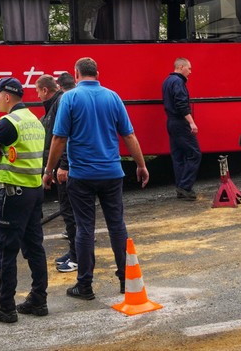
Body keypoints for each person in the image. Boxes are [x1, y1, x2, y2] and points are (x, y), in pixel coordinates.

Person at [43, 57, 149, 300]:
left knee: (84, 229)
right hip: (112, 173)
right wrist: (141, 165)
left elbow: (59, 139)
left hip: (81, 176)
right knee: (117, 226)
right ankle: (126, 280)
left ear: (76, 74)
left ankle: (85, 286)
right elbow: (129, 135)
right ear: (98, 73)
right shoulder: (113, 97)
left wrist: (49, 171)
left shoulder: (69, 98)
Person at [0, 77, 49, 322]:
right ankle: (39, 300)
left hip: (13, 193)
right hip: (34, 191)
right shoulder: (34, 120)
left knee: (7, 251)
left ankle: (6, 307)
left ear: (7, 96)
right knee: (34, 247)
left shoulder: (8, 122)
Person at [36, 74, 77, 273]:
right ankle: (75, 251)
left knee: (70, 212)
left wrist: (63, 165)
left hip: (64, 168)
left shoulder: (60, 102)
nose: (37, 96)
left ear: (45, 90)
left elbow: (65, 137)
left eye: (38, 92)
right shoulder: (54, 104)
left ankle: (77, 257)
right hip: (61, 165)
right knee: (69, 212)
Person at [162, 57, 201, 201]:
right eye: (189, 68)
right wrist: (191, 122)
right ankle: (185, 186)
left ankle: (180, 187)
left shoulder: (167, 81)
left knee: (178, 156)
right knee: (194, 153)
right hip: (180, 122)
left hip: (171, 122)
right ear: (181, 67)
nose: (190, 72)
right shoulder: (178, 82)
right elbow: (181, 104)